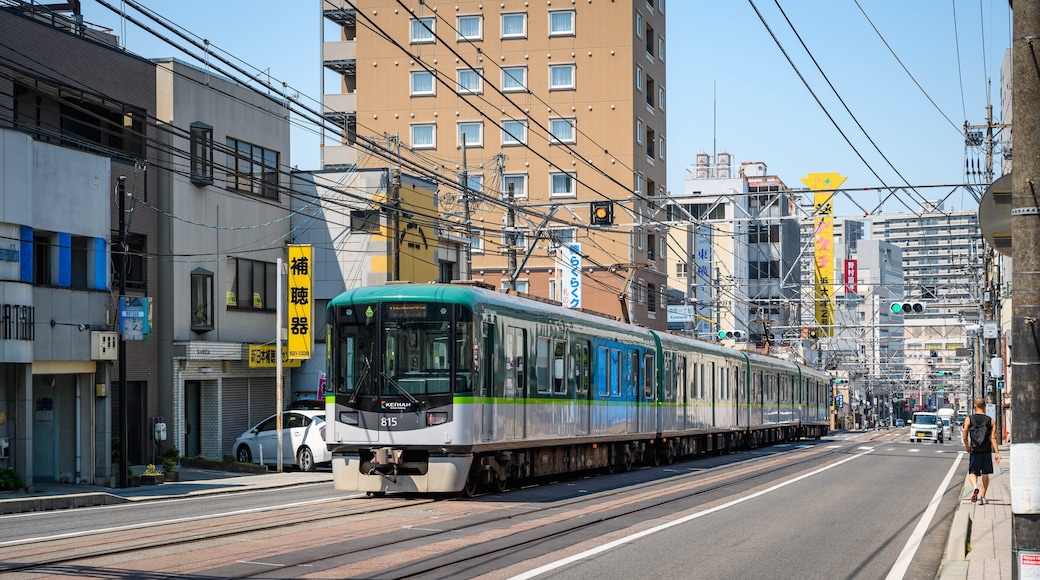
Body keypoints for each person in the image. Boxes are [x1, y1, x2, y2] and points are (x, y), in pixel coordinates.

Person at [962, 397, 1001, 505]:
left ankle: (975, 487)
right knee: (985, 474)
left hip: (975, 450)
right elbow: (993, 438)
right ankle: (983, 498)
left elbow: (964, 436)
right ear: (985, 406)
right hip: (986, 450)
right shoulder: (990, 420)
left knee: (972, 472)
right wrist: (997, 453)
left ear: (974, 406)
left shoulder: (969, 419)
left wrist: (967, 446)